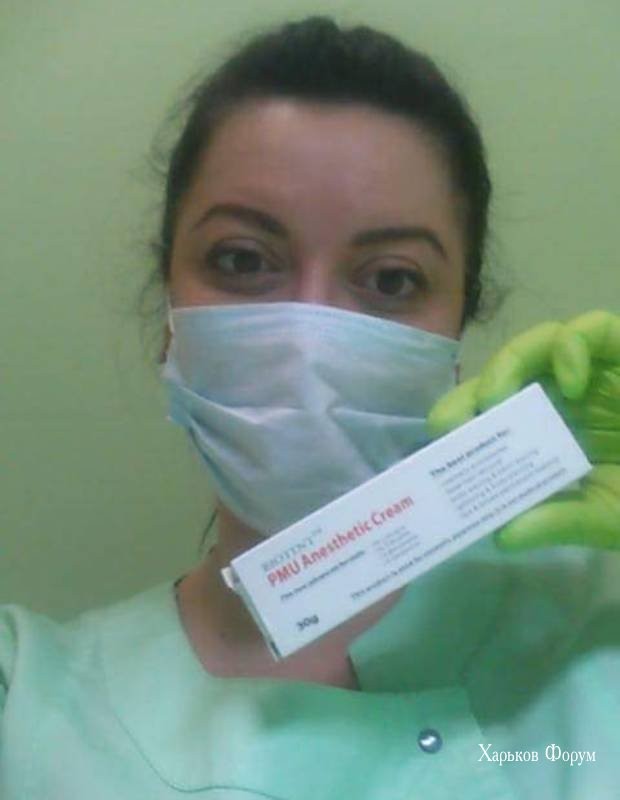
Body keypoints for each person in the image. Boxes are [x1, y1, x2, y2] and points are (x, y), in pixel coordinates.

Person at [1, 15, 618, 799]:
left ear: (453, 347)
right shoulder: (25, 698)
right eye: (242, 260)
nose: (308, 341)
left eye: (391, 279)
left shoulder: (600, 631)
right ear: (170, 323)